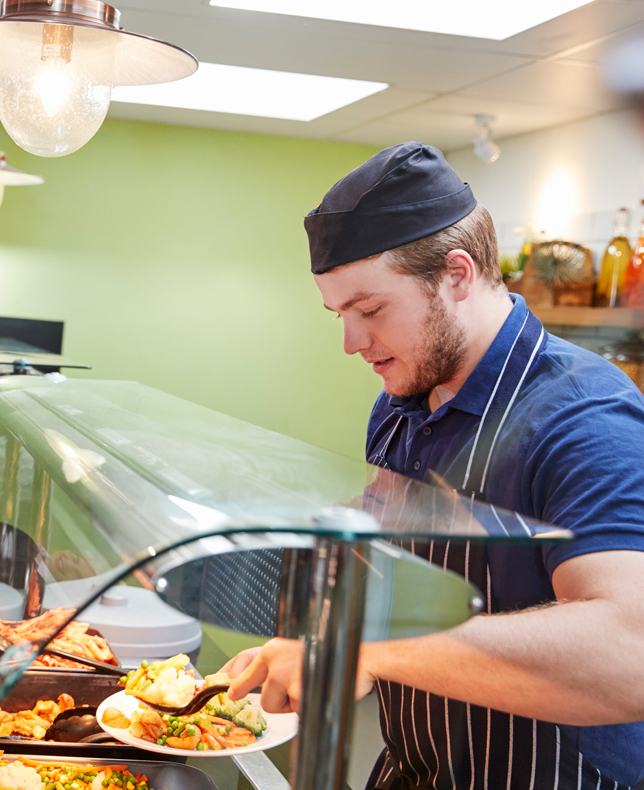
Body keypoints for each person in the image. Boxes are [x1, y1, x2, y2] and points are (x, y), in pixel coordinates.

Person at [222, 143, 644, 787]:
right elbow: (388, 561)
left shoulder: (584, 415)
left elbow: (628, 653)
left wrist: (370, 647)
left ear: (457, 274)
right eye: (340, 315)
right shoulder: (401, 402)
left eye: (370, 311)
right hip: (415, 768)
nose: (351, 342)